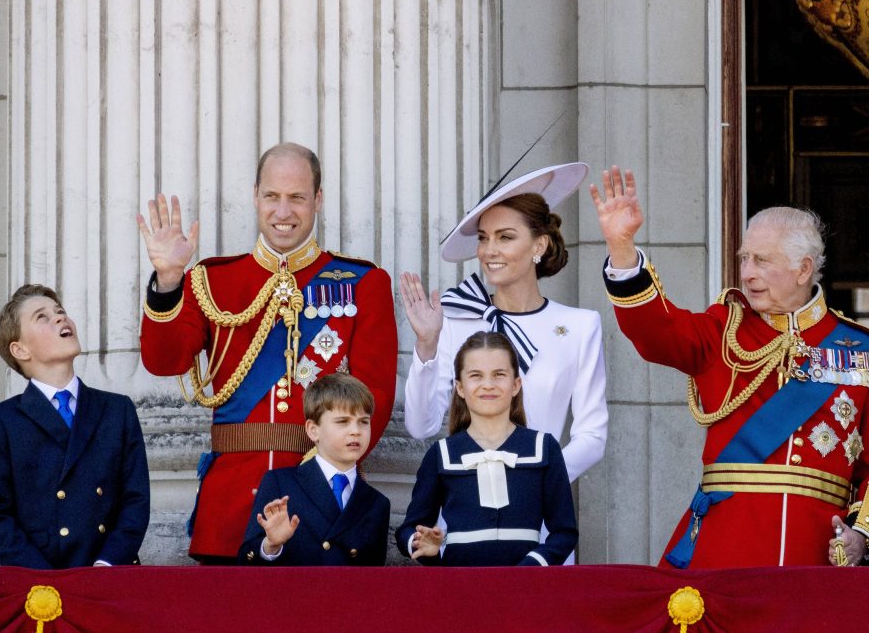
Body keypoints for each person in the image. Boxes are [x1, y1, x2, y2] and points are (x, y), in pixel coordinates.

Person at [593, 166, 869, 567]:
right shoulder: (723, 330)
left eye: (762, 260)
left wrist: (861, 536)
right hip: (725, 546)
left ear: (803, 268)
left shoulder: (863, 349)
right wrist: (622, 249)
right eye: (745, 258)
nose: (747, 273)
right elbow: (657, 330)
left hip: (815, 554)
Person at [138, 142, 397, 563]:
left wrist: (321, 480)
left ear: (317, 200)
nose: (283, 211)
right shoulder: (212, 280)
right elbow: (164, 361)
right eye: (272, 196)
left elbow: (376, 399)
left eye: (296, 198)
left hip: (320, 508)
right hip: (230, 508)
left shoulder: (362, 283)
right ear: (255, 196)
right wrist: (169, 281)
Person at [399, 162, 607, 486]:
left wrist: (537, 484)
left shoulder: (580, 327)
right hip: (460, 510)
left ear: (538, 245)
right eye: (483, 238)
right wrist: (427, 344)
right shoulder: (456, 320)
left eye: (505, 237)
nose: (489, 251)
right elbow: (420, 426)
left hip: (535, 513)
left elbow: (592, 436)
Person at [0, 285, 150, 568]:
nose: (59, 318)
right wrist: (45, 580)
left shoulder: (118, 410)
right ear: (20, 349)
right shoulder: (2, 420)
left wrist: (106, 564)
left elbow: (135, 500)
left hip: (109, 576)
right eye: (42, 317)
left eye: (60, 312)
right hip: (39, 585)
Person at [395, 331, 578, 566]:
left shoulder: (544, 447)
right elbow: (407, 529)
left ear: (515, 385)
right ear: (460, 387)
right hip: (461, 587)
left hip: (526, 590)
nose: (488, 385)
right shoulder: (440, 454)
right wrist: (422, 543)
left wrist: (532, 567)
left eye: (499, 375)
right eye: (476, 376)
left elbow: (565, 532)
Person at [237, 374, 390, 565]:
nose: (356, 431)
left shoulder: (377, 503)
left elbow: (375, 581)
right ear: (313, 430)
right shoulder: (280, 483)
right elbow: (245, 562)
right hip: (293, 593)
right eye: (343, 421)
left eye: (363, 421)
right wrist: (271, 545)